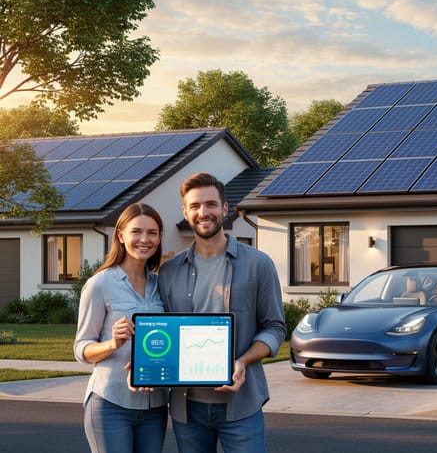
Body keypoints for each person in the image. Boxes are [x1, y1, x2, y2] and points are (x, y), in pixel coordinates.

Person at [158, 172, 285, 453]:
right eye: (195, 206)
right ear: (185, 212)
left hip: (241, 406)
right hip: (187, 409)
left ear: (225, 208)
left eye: (211, 204)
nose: (204, 212)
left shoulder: (259, 264)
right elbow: (161, 330)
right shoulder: (169, 271)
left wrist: (242, 361)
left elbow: (275, 327)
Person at [74, 203, 169, 453]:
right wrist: (112, 344)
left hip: (155, 406)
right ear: (121, 235)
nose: (144, 239)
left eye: (152, 232)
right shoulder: (100, 285)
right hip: (110, 403)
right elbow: (81, 348)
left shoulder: (163, 285)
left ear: (159, 237)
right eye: (136, 231)